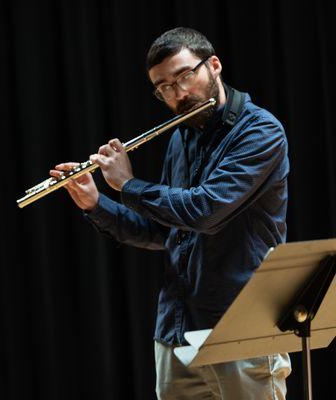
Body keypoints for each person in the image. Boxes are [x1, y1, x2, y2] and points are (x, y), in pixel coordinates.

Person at [52, 27, 291, 399]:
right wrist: (96, 202)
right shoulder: (182, 136)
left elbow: (205, 212)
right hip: (177, 329)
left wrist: (128, 185)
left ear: (213, 65)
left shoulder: (259, 131)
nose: (178, 94)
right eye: (164, 87)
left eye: (184, 77)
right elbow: (163, 232)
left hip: (240, 328)